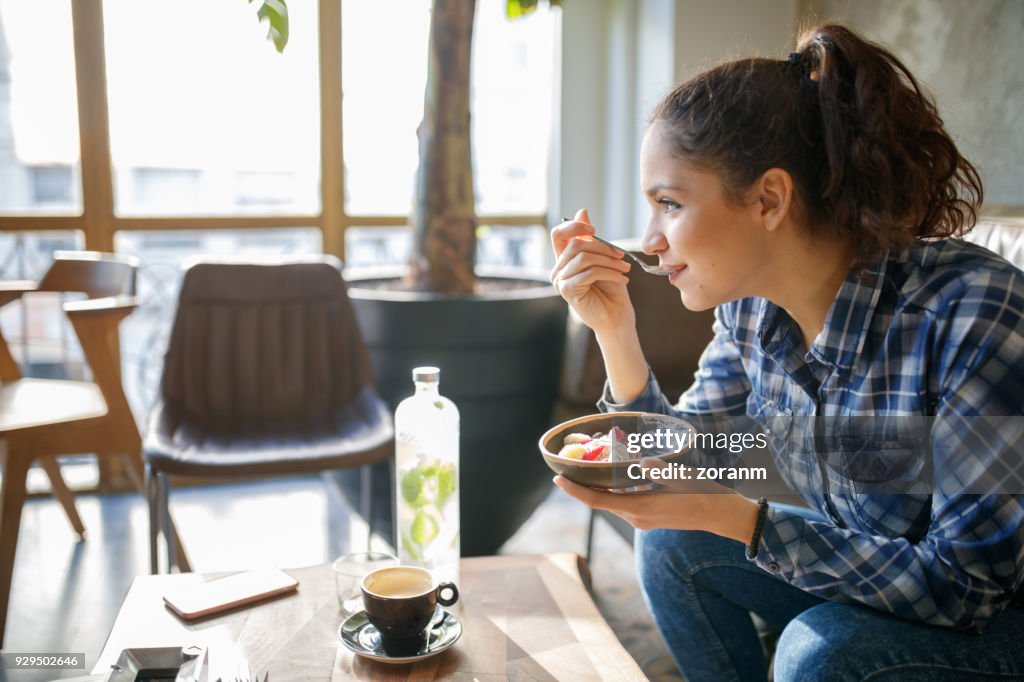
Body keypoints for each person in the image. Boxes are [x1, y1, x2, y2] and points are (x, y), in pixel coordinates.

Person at [549, 23, 1024, 681]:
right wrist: (614, 330)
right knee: (673, 541)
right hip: (875, 577)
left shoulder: (972, 314)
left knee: (817, 652)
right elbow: (689, 459)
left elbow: (968, 588)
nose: (651, 238)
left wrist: (743, 520)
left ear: (769, 199)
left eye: (670, 203)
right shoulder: (750, 309)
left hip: (991, 622)